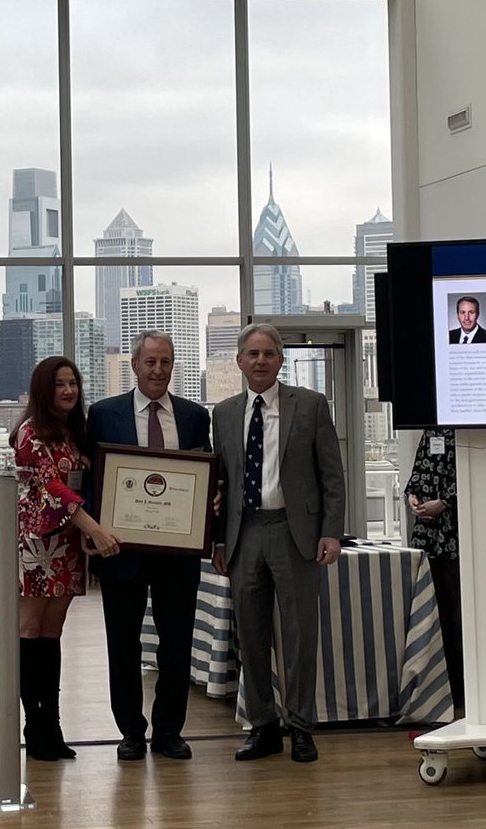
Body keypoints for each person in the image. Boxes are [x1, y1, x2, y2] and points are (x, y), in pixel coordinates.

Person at [212, 323, 345, 764]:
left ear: (281, 360)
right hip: (244, 533)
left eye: (269, 353)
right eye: (253, 354)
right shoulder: (225, 413)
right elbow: (222, 483)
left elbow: (331, 476)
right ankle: (263, 726)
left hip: (295, 533)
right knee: (250, 635)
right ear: (239, 360)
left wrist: (331, 530)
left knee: (299, 634)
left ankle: (301, 728)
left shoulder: (309, 405)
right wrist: (217, 541)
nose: (261, 360)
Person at [85, 330, 211, 762]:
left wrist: (211, 496)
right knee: (123, 647)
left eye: (167, 362)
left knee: (176, 646)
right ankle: (131, 733)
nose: (159, 370)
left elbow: (207, 477)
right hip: (122, 553)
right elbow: (90, 481)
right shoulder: (103, 414)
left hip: (179, 554)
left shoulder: (195, 417)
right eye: (151, 362)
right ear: (135, 365)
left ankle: (170, 732)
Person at [12, 355, 120, 762]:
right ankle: (33, 725)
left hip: (68, 545)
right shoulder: (28, 434)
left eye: (73, 383)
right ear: (44, 389)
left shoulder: (73, 433)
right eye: (59, 384)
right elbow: (53, 487)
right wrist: (95, 529)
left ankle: (52, 724)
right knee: (29, 629)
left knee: (52, 633)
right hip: (36, 544)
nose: (68, 391)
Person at [404, 426, 463, 712]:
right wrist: (413, 500)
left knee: (458, 612)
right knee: (432, 608)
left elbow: (470, 478)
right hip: (428, 536)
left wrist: (445, 503)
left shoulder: (468, 432)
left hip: (457, 534)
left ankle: (461, 687)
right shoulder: (429, 433)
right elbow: (416, 476)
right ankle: (437, 686)